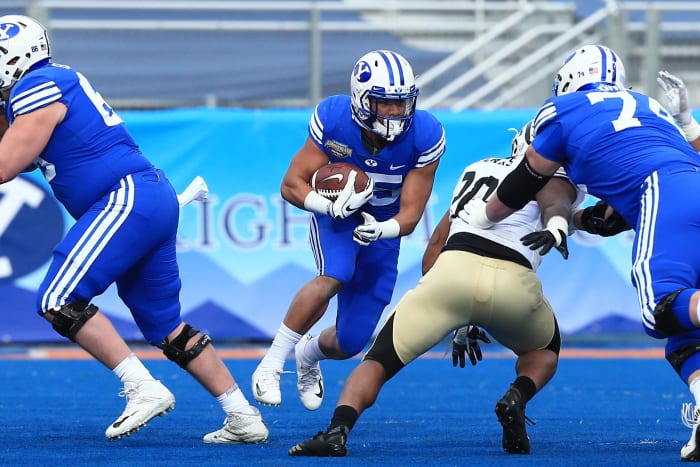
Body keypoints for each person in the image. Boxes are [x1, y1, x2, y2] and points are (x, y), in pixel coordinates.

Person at [0, 15, 267, 444]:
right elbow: (22, 151)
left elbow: (5, 164)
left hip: (125, 197)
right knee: (166, 326)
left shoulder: (37, 85)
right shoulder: (49, 86)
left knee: (58, 298)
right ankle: (242, 414)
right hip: (148, 196)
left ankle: (142, 388)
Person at [287, 121, 593, 457]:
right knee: (544, 351)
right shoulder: (554, 178)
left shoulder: (476, 169)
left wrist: (454, 312)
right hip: (514, 281)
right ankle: (516, 396)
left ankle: (337, 432)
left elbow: (435, 245)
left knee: (377, 361)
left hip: (451, 271)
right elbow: (561, 208)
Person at [463, 44, 700, 462]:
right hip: (681, 188)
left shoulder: (564, 109)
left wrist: (481, 218)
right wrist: (586, 217)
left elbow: (523, 180)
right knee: (683, 336)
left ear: (568, 81)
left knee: (659, 308)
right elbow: (618, 205)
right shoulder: (647, 106)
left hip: (663, 192)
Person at [251, 49, 445, 411]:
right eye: (384, 103)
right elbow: (292, 183)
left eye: (401, 103)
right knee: (334, 275)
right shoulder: (335, 119)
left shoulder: (426, 133)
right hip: (338, 218)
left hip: (383, 229)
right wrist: (327, 206)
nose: (394, 112)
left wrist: (383, 230)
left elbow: (412, 215)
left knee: (352, 341)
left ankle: (307, 355)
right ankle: (271, 363)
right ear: (360, 100)